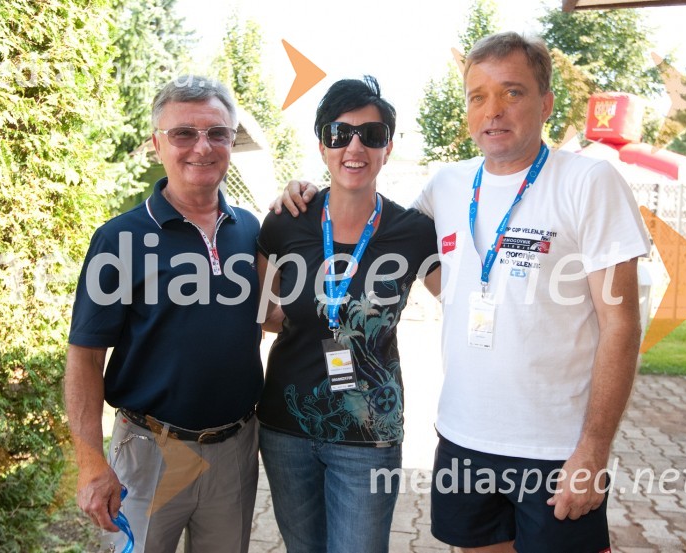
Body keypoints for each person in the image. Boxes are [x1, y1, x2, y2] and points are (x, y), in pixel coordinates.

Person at [275, 32, 649, 553]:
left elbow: (622, 325)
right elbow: (370, 222)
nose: (493, 110)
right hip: (464, 438)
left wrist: (593, 450)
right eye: (478, 96)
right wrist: (305, 192)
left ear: (545, 103)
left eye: (512, 92)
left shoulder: (588, 182)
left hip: (556, 448)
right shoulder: (446, 187)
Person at [64, 76, 263, 553]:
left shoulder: (252, 230)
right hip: (149, 452)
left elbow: (269, 316)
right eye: (183, 134)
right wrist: (91, 462)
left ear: (231, 142)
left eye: (218, 133)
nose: (203, 146)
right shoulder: (120, 239)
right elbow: (85, 359)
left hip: (236, 448)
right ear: (157, 145)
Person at [256, 75, 440, 553]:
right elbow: (262, 313)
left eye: (371, 135)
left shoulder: (413, 232)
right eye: (340, 134)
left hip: (369, 437)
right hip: (285, 428)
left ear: (388, 148)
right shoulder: (285, 221)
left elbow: (464, 302)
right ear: (322, 145)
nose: (354, 146)